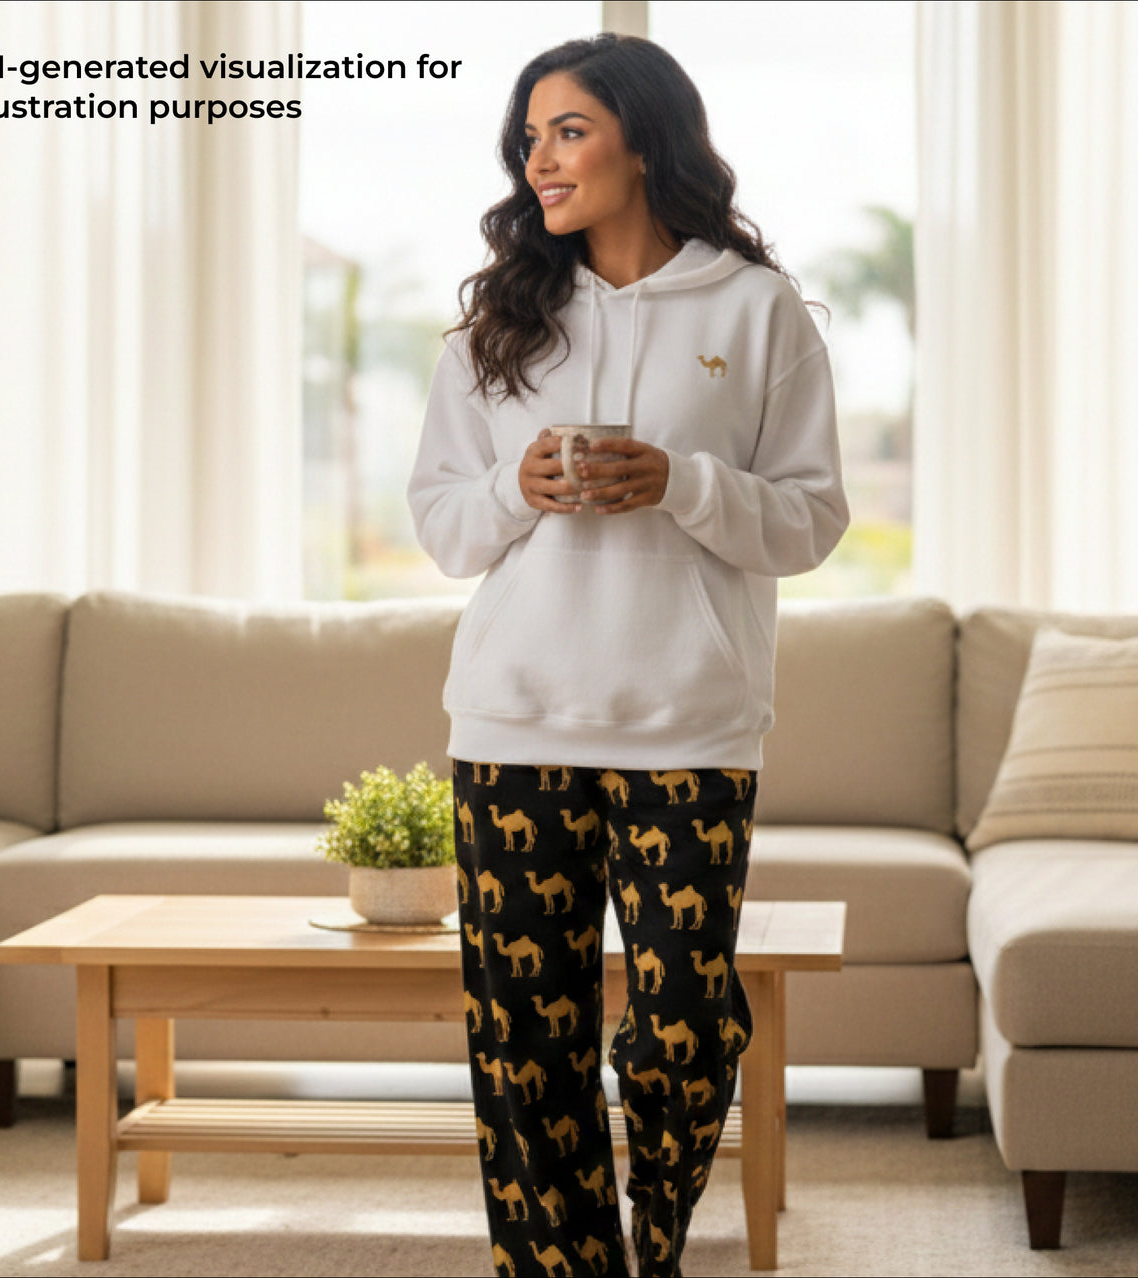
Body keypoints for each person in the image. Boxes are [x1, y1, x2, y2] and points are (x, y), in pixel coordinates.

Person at [406, 31, 849, 1278]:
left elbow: (811, 518)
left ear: (643, 142)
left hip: (688, 728)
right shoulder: (497, 322)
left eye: (568, 131)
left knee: (678, 1033)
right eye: (528, 136)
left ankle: (654, 1247)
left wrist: (682, 482)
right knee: (519, 1049)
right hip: (511, 728)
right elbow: (442, 525)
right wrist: (517, 485)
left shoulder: (755, 309)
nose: (538, 159)